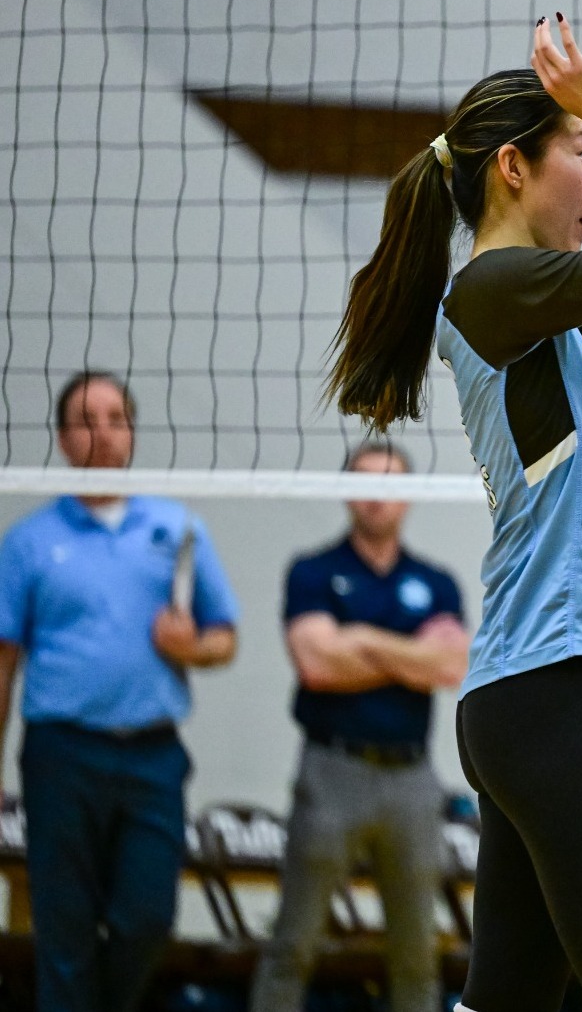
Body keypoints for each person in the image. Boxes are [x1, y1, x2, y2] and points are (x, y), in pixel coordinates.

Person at [326, 15, 582, 1012]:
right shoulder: (498, 288)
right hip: (549, 692)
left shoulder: (537, 308)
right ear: (513, 165)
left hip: (537, 692)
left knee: (508, 997)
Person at [0, 371, 240, 1012]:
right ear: (61, 437)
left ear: (131, 431)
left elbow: (225, 639)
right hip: (59, 756)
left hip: (151, 758)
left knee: (146, 920)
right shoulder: (27, 543)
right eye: (85, 419)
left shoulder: (178, 529)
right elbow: (3, 663)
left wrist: (190, 648)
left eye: (114, 417)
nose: (101, 432)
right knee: (64, 932)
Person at [249, 441, 469, 1012]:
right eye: (366, 481)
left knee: (417, 951)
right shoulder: (314, 571)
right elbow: (317, 665)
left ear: (411, 497)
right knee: (293, 943)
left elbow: (450, 665)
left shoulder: (437, 582)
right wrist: (406, 655)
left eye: (392, 483)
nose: (378, 496)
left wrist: (362, 640)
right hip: (331, 771)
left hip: (413, 780)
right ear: (346, 491)